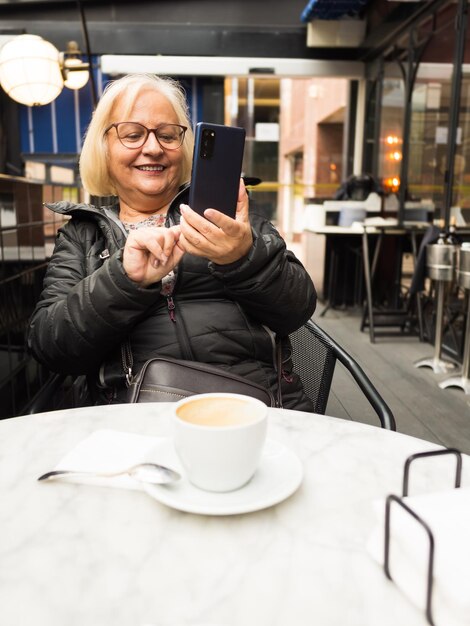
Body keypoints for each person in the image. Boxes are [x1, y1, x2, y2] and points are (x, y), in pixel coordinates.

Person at [27, 74, 317, 410]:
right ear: (104, 148)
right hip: (137, 416)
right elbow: (51, 346)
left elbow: (297, 309)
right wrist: (124, 280)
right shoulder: (83, 234)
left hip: (252, 409)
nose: (153, 148)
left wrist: (243, 257)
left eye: (167, 135)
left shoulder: (228, 215)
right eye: (133, 135)